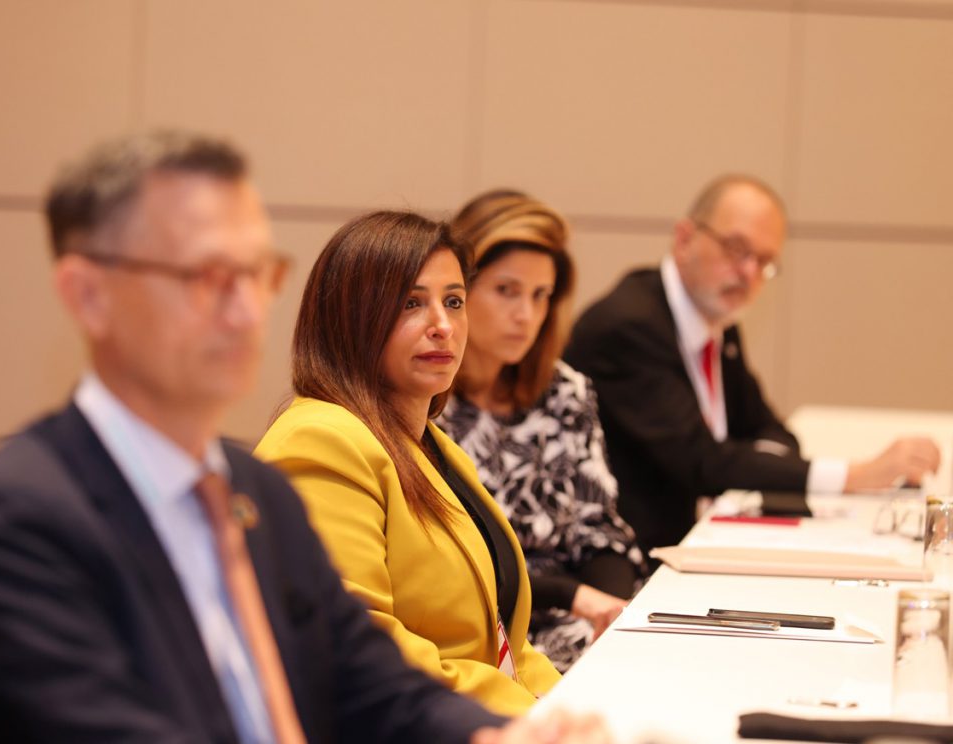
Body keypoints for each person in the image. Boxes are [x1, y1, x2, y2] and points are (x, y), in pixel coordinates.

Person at [0, 131, 608, 744]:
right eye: (205, 277)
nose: (246, 309)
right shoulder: (14, 516)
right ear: (88, 296)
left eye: (257, 274)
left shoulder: (252, 490)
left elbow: (370, 681)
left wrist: (505, 733)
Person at [254, 211, 562, 717]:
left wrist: (569, 701)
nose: (442, 326)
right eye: (411, 303)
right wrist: (525, 714)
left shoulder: (431, 444)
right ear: (350, 317)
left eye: (454, 301)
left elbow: (506, 640)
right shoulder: (321, 440)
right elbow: (357, 647)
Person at [564, 174, 941, 554]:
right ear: (684, 240)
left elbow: (770, 431)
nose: (749, 273)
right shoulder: (628, 326)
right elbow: (702, 462)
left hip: (696, 540)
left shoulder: (716, 322)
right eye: (736, 249)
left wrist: (746, 460)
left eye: (763, 261)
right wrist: (854, 475)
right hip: (627, 557)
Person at [435, 190, 645, 672]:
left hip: (575, 616)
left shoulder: (564, 391)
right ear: (457, 292)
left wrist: (608, 615)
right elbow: (454, 567)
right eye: (506, 291)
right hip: (479, 633)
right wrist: (576, 597)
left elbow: (600, 531)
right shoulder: (423, 404)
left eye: (540, 295)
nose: (526, 315)